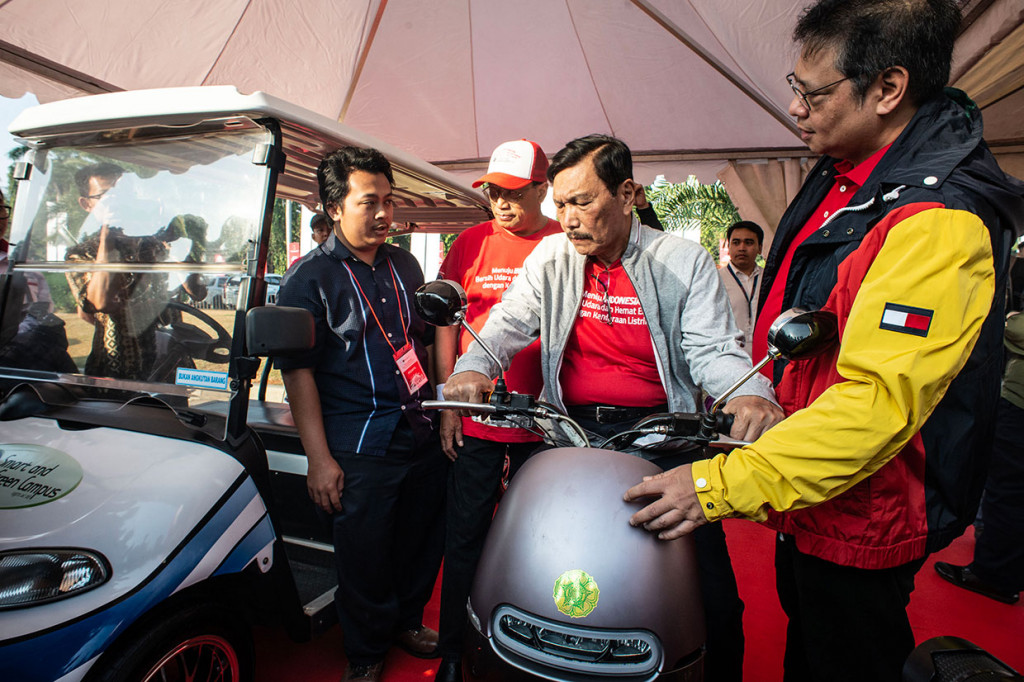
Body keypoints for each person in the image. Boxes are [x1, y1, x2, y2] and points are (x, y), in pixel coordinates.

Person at [624, 2, 1024, 680]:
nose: (794, 107)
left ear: (888, 89)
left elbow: (876, 407)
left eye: (812, 93)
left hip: (865, 508)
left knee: (846, 653)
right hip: (813, 490)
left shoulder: (936, 220)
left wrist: (717, 486)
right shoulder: (854, 172)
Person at [444, 134, 783, 682]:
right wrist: (472, 367)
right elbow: (507, 322)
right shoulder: (551, 255)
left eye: (582, 201)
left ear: (628, 194)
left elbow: (713, 349)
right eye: (560, 204)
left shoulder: (681, 260)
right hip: (566, 435)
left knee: (714, 592)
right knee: (513, 556)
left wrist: (748, 393)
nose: (569, 218)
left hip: (665, 437)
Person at [275, 146, 446, 682]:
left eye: (389, 203)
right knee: (365, 553)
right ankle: (367, 652)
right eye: (369, 202)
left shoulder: (405, 264)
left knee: (421, 538)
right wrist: (319, 459)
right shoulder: (308, 279)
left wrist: (444, 411)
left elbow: (422, 341)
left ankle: (406, 622)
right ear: (333, 205)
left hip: (418, 426)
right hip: (358, 438)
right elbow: (297, 373)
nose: (383, 215)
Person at [431, 139, 562, 682]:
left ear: (542, 188)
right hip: (479, 422)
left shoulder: (564, 242)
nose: (501, 203)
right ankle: (453, 651)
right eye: (492, 192)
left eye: (513, 192)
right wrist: (447, 405)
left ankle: (534, 642)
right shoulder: (470, 243)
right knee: (463, 533)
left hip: (543, 423)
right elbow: (445, 325)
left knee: (539, 537)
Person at [934, 307, 1024, 605]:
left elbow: (1014, 331)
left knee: (1007, 490)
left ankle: (995, 575)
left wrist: (1009, 322)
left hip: (1020, 404)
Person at [718, 220, 764, 355]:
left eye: (749, 243)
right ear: (728, 246)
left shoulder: (769, 279)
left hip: (765, 356)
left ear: (760, 248)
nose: (742, 248)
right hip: (729, 355)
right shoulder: (716, 279)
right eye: (736, 242)